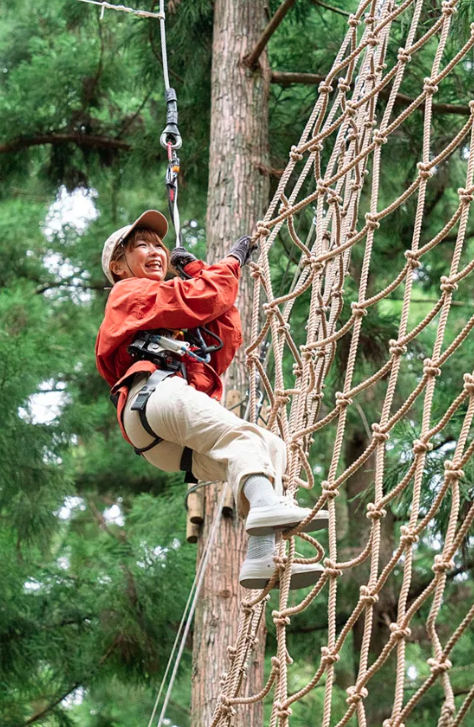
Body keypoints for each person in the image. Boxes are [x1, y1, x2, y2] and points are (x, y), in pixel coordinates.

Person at [95, 210, 327, 589]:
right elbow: (202, 297)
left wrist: (196, 270)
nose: (156, 252)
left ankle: (261, 559)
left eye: (159, 246)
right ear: (119, 267)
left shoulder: (165, 314)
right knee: (244, 439)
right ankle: (267, 508)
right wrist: (227, 265)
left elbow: (222, 330)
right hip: (152, 396)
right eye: (142, 246)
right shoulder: (129, 295)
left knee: (271, 448)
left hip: (165, 440)